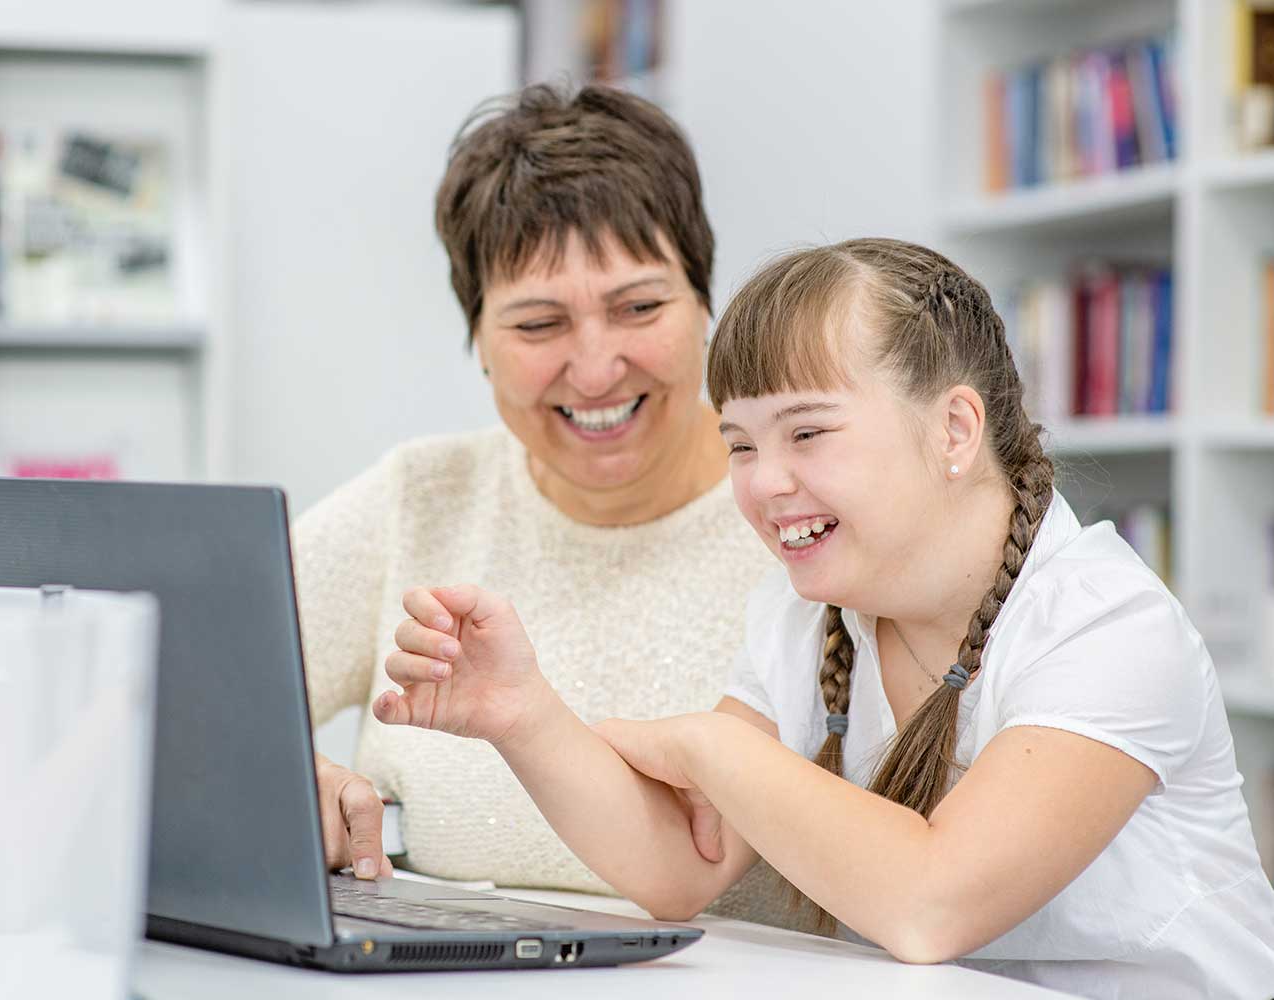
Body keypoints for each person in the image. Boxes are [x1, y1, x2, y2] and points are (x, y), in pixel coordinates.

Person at [377, 238, 1274, 997]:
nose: (765, 483)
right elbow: (679, 868)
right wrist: (521, 715)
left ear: (956, 430)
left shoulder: (1109, 626)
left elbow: (932, 902)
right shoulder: (806, 618)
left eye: (807, 434)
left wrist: (712, 749)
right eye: (740, 445)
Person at [294, 82, 789, 922]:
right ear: (477, 343)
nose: (595, 370)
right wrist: (279, 778)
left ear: (707, 305)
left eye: (639, 307)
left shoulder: (802, 516)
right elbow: (167, 698)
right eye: (536, 325)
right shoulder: (419, 498)